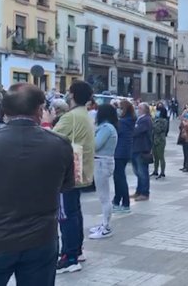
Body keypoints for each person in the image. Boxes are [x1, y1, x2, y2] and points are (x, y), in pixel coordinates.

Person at [0, 83, 74, 286]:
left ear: (4, 111)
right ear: (40, 110)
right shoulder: (60, 144)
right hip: (41, 240)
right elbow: (66, 185)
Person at [53, 80, 95, 274]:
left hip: (67, 174)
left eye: (69, 92)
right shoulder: (84, 115)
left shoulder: (70, 117)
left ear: (73, 95)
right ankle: (76, 251)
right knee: (74, 212)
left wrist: (47, 121)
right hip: (81, 172)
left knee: (66, 215)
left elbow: (50, 139)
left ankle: (68, 257)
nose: (67, 95)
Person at [89, 104, 118, 240]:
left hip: (102, 162)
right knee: (103, 196)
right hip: (102, 162)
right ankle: (104, 224)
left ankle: (106, 227)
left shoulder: (106, 128)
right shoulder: (108, 127)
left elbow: (95, 145)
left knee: (104, 197)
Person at [112, 100, 135, 213]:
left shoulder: (123, 122)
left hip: (119, 152)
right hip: (125, 151)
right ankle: (117, 200)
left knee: (119, 178)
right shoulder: (130, 120)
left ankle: (124, 202)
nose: (118, 110)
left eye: (120, 108)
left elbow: (116, 134)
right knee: (119, 177)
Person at [132, 103, 153, 201]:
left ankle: (144, 192)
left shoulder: (146, 119)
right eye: (138, 107)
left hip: (142, 148)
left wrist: (132, 129)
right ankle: (138, 191)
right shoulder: (140, 119)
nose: (138, 109)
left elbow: (136, 131)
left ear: (145, 110)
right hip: (136, 148)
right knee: (138, 171)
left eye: (140, 108)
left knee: (142, 172)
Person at [151, 105, 169, 179]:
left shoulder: (164, 121)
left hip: (160, 140)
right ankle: (155, 170)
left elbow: (158, 129)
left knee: (161, 156)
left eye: (158, 111)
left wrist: (152, 124)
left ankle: (162, 172)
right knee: (155, 157)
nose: (157, 112)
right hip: (154, 139)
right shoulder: (156, 119)